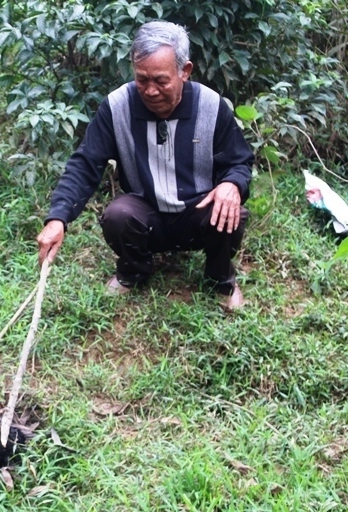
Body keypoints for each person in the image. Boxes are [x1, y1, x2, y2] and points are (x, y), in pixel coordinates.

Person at [36, 20, 254, 310]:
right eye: (142, 80)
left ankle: (220, 279)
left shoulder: (211, 106)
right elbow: (85, 164)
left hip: (198, 214)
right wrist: (57, 218)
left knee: (230, 209)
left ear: (184, 71)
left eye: (161, 81)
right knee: (117, 214)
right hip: (146, 213)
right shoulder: (117, 107)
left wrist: (231, 184)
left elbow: (239, 160)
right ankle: (134, 272)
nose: (150, 91)